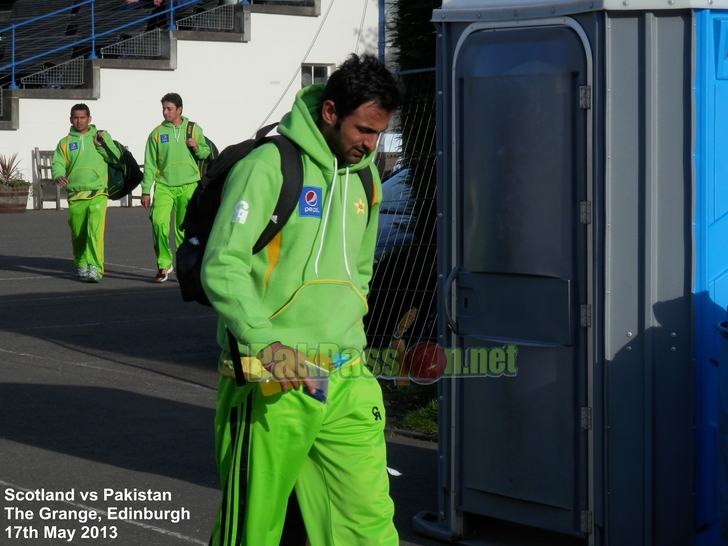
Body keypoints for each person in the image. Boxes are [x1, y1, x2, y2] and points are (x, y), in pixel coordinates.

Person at [202, 53, 401, 546]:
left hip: (346, 375)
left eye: (378, 134)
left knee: (369, 524)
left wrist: (350, 334)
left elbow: (360, 269)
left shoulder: (367, 178)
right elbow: (222, 266)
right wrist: (265, 345)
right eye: (363, 130)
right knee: (254, 528)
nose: (370, 144)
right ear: (330, 112)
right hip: (272, 374)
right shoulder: (269, 164)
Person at [141, 92, 210, 282]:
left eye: (169, 108)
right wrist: (146, 190)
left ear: (179, 109)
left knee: (182, 230)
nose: (165, 112)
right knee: (158, 222)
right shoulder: (156, 133)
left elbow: (206, 152)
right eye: (163, 108)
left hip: (188, 185)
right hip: (164, 186)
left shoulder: (193, 129)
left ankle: (183, 267)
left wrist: (196, 147)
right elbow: (150, 164)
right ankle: (163, 265)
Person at [52, 103, 120, 283]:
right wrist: (58, 175)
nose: (79, 120)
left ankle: (95, 268)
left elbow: (115, 157)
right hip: (76, 195)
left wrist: (101, 145)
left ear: (89, 119)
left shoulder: (100, 136)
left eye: (83, 117)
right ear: (70, 119)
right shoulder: (65, 142)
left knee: (95, 232)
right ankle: (81, 262)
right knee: (78, 232)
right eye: (76, 117)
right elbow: (58, 163)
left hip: (98, 192)